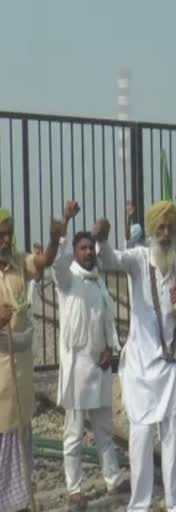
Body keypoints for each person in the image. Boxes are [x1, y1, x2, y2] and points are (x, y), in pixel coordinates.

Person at [93, 201, 176, 512]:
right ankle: (140, 505)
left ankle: (174, 504)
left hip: (172, 366)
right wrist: (102, 239)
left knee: (174, 442)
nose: (165, 235)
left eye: (170, 229)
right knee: (139, 441)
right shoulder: (138, 259)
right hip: (140, 368)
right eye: (160, 228)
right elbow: (110, 260)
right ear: (151, 231)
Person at [53, 202, 127, 510]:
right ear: (74, 251)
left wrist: (110, 349)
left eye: (91, 248)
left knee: (104, 429)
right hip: (75, 370)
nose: (88, 253)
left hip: (98, 369)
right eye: (83, 248)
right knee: (73, 434)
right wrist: (66, 222)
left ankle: (112, 478)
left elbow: (106, 321)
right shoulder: (67, 280)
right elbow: (55, 263)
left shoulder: (98, 282)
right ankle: (75, 488)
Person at [0, 208, 64, 512]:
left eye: (8, 232)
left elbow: (43, 262)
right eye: (0, 233)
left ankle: (20, 500)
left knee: (20, 428)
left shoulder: (18, 263)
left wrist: (54, 239)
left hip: (20, 367)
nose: (5, 238)